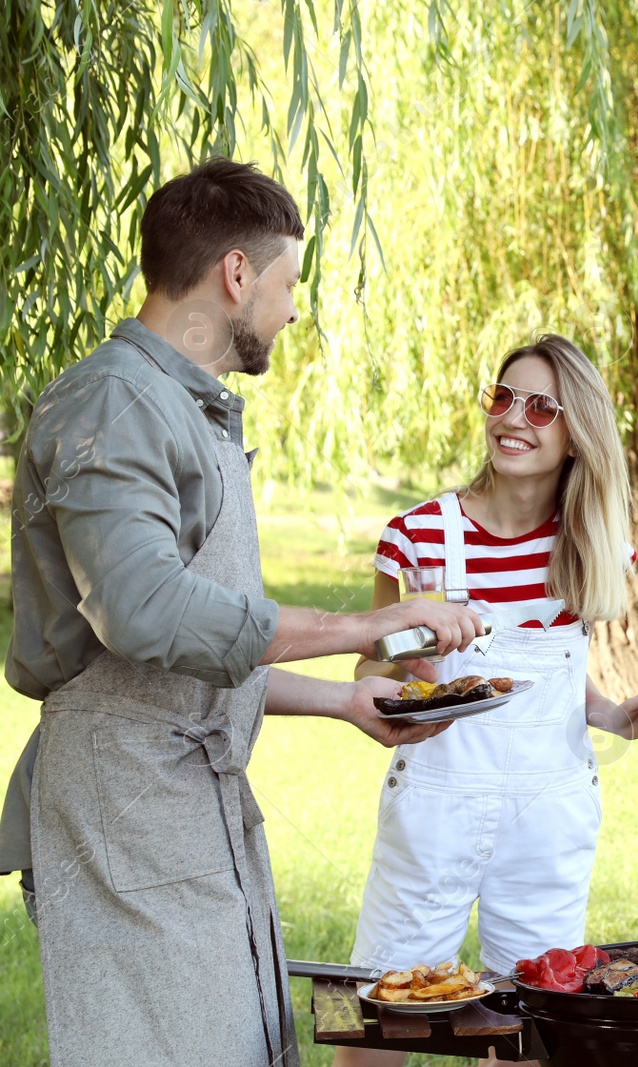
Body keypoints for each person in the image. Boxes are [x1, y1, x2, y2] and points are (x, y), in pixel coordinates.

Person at [0, 158, 486, 1067]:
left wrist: (344, 701)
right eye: (289, 280)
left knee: (239, 1044)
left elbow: (196, 659)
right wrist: (369, 625)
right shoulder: (112, 402)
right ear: (236, 274)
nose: (294, 306)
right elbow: (147, 615)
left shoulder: (191, 412)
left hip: (189, 800)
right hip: (124, 814)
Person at [334, 335, 638, 1067]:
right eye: (503, 396)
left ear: (576, 432)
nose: (512, 417)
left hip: (547, 817)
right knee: (383, 1013)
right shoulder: (419, 535)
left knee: (533, 1025)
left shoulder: (594, 542)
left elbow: (550, 677)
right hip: (435, 805)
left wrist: (616, 715)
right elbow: (373, 660)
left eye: (541, 406)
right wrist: (404, 672)